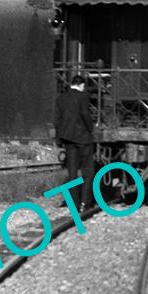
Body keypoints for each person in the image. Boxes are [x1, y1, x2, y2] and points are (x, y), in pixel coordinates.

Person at [55, 74, 96, 211]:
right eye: (84, 86)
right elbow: (85, 114)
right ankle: (85, 203)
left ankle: (75, 203)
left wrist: (59, 138)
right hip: (83, 138)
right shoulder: (83, 96)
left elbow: (57, 120)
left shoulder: (61, 99)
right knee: (88, 171)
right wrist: (91, 128)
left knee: (72, 172)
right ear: (81, 85)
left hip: (68, 139)